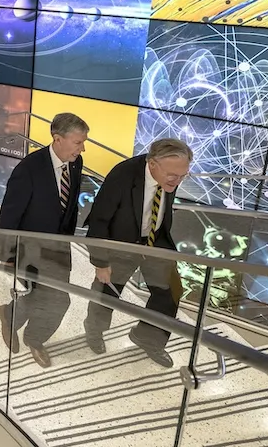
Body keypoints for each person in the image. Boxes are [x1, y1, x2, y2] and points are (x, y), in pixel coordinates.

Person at [83, 138, 192, 368]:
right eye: (173, 175)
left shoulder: (171, 176)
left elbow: (162, 203)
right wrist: (101, 262)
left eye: (183, 176)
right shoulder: (122, 176)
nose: (178, 181)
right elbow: (99, 220)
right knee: (107, 293)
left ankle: (149, 338)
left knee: (171, 291)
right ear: (152, 164)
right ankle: (95, 331)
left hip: (155, 241)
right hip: (121, 243)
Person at [0, 112, 88, 369]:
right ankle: (33, 337)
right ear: (58, 139)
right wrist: (6, 256)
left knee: (46, 297)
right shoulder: (28, 169)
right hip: (29, 250)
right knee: (58, 299)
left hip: (59, 248)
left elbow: (67, 205)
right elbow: (9, 214)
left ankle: (12, 316)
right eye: (78, 142)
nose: (83, 148)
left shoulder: (75, 163)